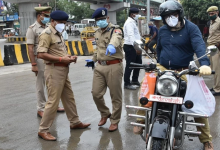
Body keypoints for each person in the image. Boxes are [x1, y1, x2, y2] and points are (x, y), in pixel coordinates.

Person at [134, 1, 214, 150]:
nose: (170, 18)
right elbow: (160, 49)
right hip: (163, 67)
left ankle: (206, 140)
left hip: (184, 70)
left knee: (196, 101)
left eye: (174, 15)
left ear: (180, 14)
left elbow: (199, 45)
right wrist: (155, 63)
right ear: (163, 18)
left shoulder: (192, 28)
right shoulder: (163, 30)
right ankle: (140, 119)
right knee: (146, 86)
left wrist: (204, 64)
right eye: (167, 16)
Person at [37, 10, 90, 141]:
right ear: (53, 21)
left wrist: (68, 57)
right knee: (53, 101)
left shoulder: (58, 33)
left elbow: (57, 52)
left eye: (65, 23)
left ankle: (75, 122)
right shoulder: (47, 34)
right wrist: (61, 60)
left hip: (63, 70)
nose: (63, 25)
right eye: (61, 22)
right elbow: (41, 54)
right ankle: (43, 130)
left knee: (69, 98)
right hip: (54, 70)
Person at [85, 8, 124, 132]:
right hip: (100, 66)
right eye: (98, 20)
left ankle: (115, 121)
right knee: (96, 93)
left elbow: (116, 39)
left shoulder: (115, 30)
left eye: (103, 19)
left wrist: (112, 45)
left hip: (114, 66)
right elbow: (98, 50)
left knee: (115, 96)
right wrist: (93, 59)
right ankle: (105, 113)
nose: (101, 22)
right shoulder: (97, 33)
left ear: (107, 18)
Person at [26, 7, 64, 118]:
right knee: (41, 84)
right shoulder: (32, 29)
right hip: (40, 59)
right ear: (39, 16)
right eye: (46, 16)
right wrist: (33, 64)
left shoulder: (49, 27)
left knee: (52, 83)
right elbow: (30, 48)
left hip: (50, 57)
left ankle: (53, 106)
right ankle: (41, 108)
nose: (48, 18)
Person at [123, 8, 142, 90]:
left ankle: (134, 80)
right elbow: (131, 36)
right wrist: (136, 47)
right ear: (132, 14)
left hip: (135, 45)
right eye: (136, 13)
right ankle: (127, 83)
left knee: (138, 63)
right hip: (130, 46)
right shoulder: (129, 23)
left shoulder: (133, 22)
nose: (138, 15)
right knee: (130, 65)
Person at [207, 6, 220, 96]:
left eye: (212, 13)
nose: (211, 15)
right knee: (213, 69)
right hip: (211, 47)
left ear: (217, 12)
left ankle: (217, 89)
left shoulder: (219, 22)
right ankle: (215, 86)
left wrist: (218, 45)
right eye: (209, 14)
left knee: (217, 69)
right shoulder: (212, 22)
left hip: (217, 48)